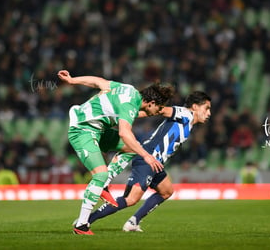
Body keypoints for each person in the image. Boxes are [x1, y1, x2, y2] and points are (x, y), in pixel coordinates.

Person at [58, 70, 174, 235]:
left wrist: (72, 80)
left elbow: (98, 81)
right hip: (82, 129)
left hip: (98, 130)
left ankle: (105, 184)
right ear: (151, 102)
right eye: (159, 107)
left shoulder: (128, 90)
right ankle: (82, 225)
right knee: (101, 174)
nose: (158, 111)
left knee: (130, 148)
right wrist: (147, 156)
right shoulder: (130, 105)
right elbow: (124, 133)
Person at [84, 91, 211, 232]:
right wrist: (134, 112)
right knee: (130, 199)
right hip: (148, 158)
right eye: (206, 108)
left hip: (156, 163)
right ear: (194, 106)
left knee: (166, 191)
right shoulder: (185, 113)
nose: (209, 113)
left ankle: (133, 222)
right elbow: (161, 110)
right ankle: (87, 220)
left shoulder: (189, 122)